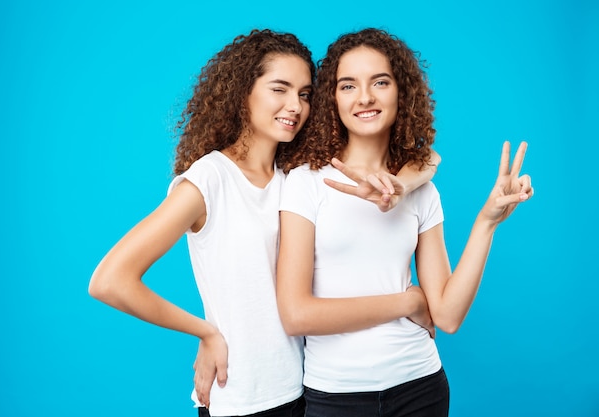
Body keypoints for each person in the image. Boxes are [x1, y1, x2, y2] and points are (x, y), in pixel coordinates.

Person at [88, 29, 439, 417]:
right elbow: (110, 281)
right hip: (240, 396)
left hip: (300, 392)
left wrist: (404, 185)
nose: (295, 106)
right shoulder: (209, 181)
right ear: (243, 93)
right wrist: (204, 332)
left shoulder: (290, 176)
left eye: (305, 94)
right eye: (280, 89)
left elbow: (429, 158)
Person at [276, 28, 533, 417]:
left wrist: (486, 222)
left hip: (420, 386)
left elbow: (446, 314)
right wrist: (406, 301)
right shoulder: (305, 184)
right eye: (348, 86)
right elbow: (296, 315)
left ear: (402, 93)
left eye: (380, 82)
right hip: (335, 395)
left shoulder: (421, 191)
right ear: (333, 99)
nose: (365, 97)